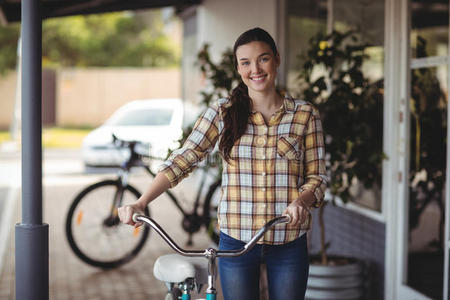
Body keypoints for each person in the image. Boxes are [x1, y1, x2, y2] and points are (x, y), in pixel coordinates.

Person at [118, 27, 328, 300]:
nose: (256, 68)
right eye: (246, 62)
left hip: (288, 240)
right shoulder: (222, 112)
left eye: (263, 58)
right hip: (235, 240)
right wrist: (142, 201)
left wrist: (302, 200)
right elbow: (184, 158)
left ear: (277, 58)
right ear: (238, 68)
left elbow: (318, 176)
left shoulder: (305, 115)